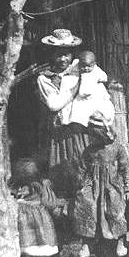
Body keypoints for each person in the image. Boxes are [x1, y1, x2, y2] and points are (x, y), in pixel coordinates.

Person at [37, 29, 89, 199]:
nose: (63, 59)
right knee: (61, 168)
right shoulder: (45, 78)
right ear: (52, 55)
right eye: (58, 55)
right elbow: (54, 104)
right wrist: (75, 88)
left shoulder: (81, 68)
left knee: (82, 164)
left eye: (66, 54)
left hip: (80, 129)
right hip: (60, 130)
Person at [71, 119, 129, 257]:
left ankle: (121, 241)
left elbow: (124, 168)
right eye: (92, 135)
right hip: (93, 184)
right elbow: (82, 167)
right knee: (88, 206)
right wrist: (80, 183)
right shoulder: (89, 150)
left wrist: (127, 184)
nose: (94, 138)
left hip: (112, 184)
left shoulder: (117, 148)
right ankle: (88, 243)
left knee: (115, 209)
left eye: (97, 135)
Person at [10, 158, 60, 257]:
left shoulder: (16, 185)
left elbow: (11, 195)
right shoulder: (40, 185)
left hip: (22, 214)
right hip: (39, 214)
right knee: (42, 237)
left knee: (26, 239)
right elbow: (47, 201)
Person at [68, 50, 115, 127]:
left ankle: (99, 120)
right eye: (83, 66)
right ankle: (79, 123)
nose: (86, 68)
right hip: (81, 96)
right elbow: (71, 71)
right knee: (78, 109)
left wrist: (98, 80)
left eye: (89, 66)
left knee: (101, 106)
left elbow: (104, 77)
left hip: (94, 94)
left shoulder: (96, 70)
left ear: (94, 64)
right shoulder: (77, 67)